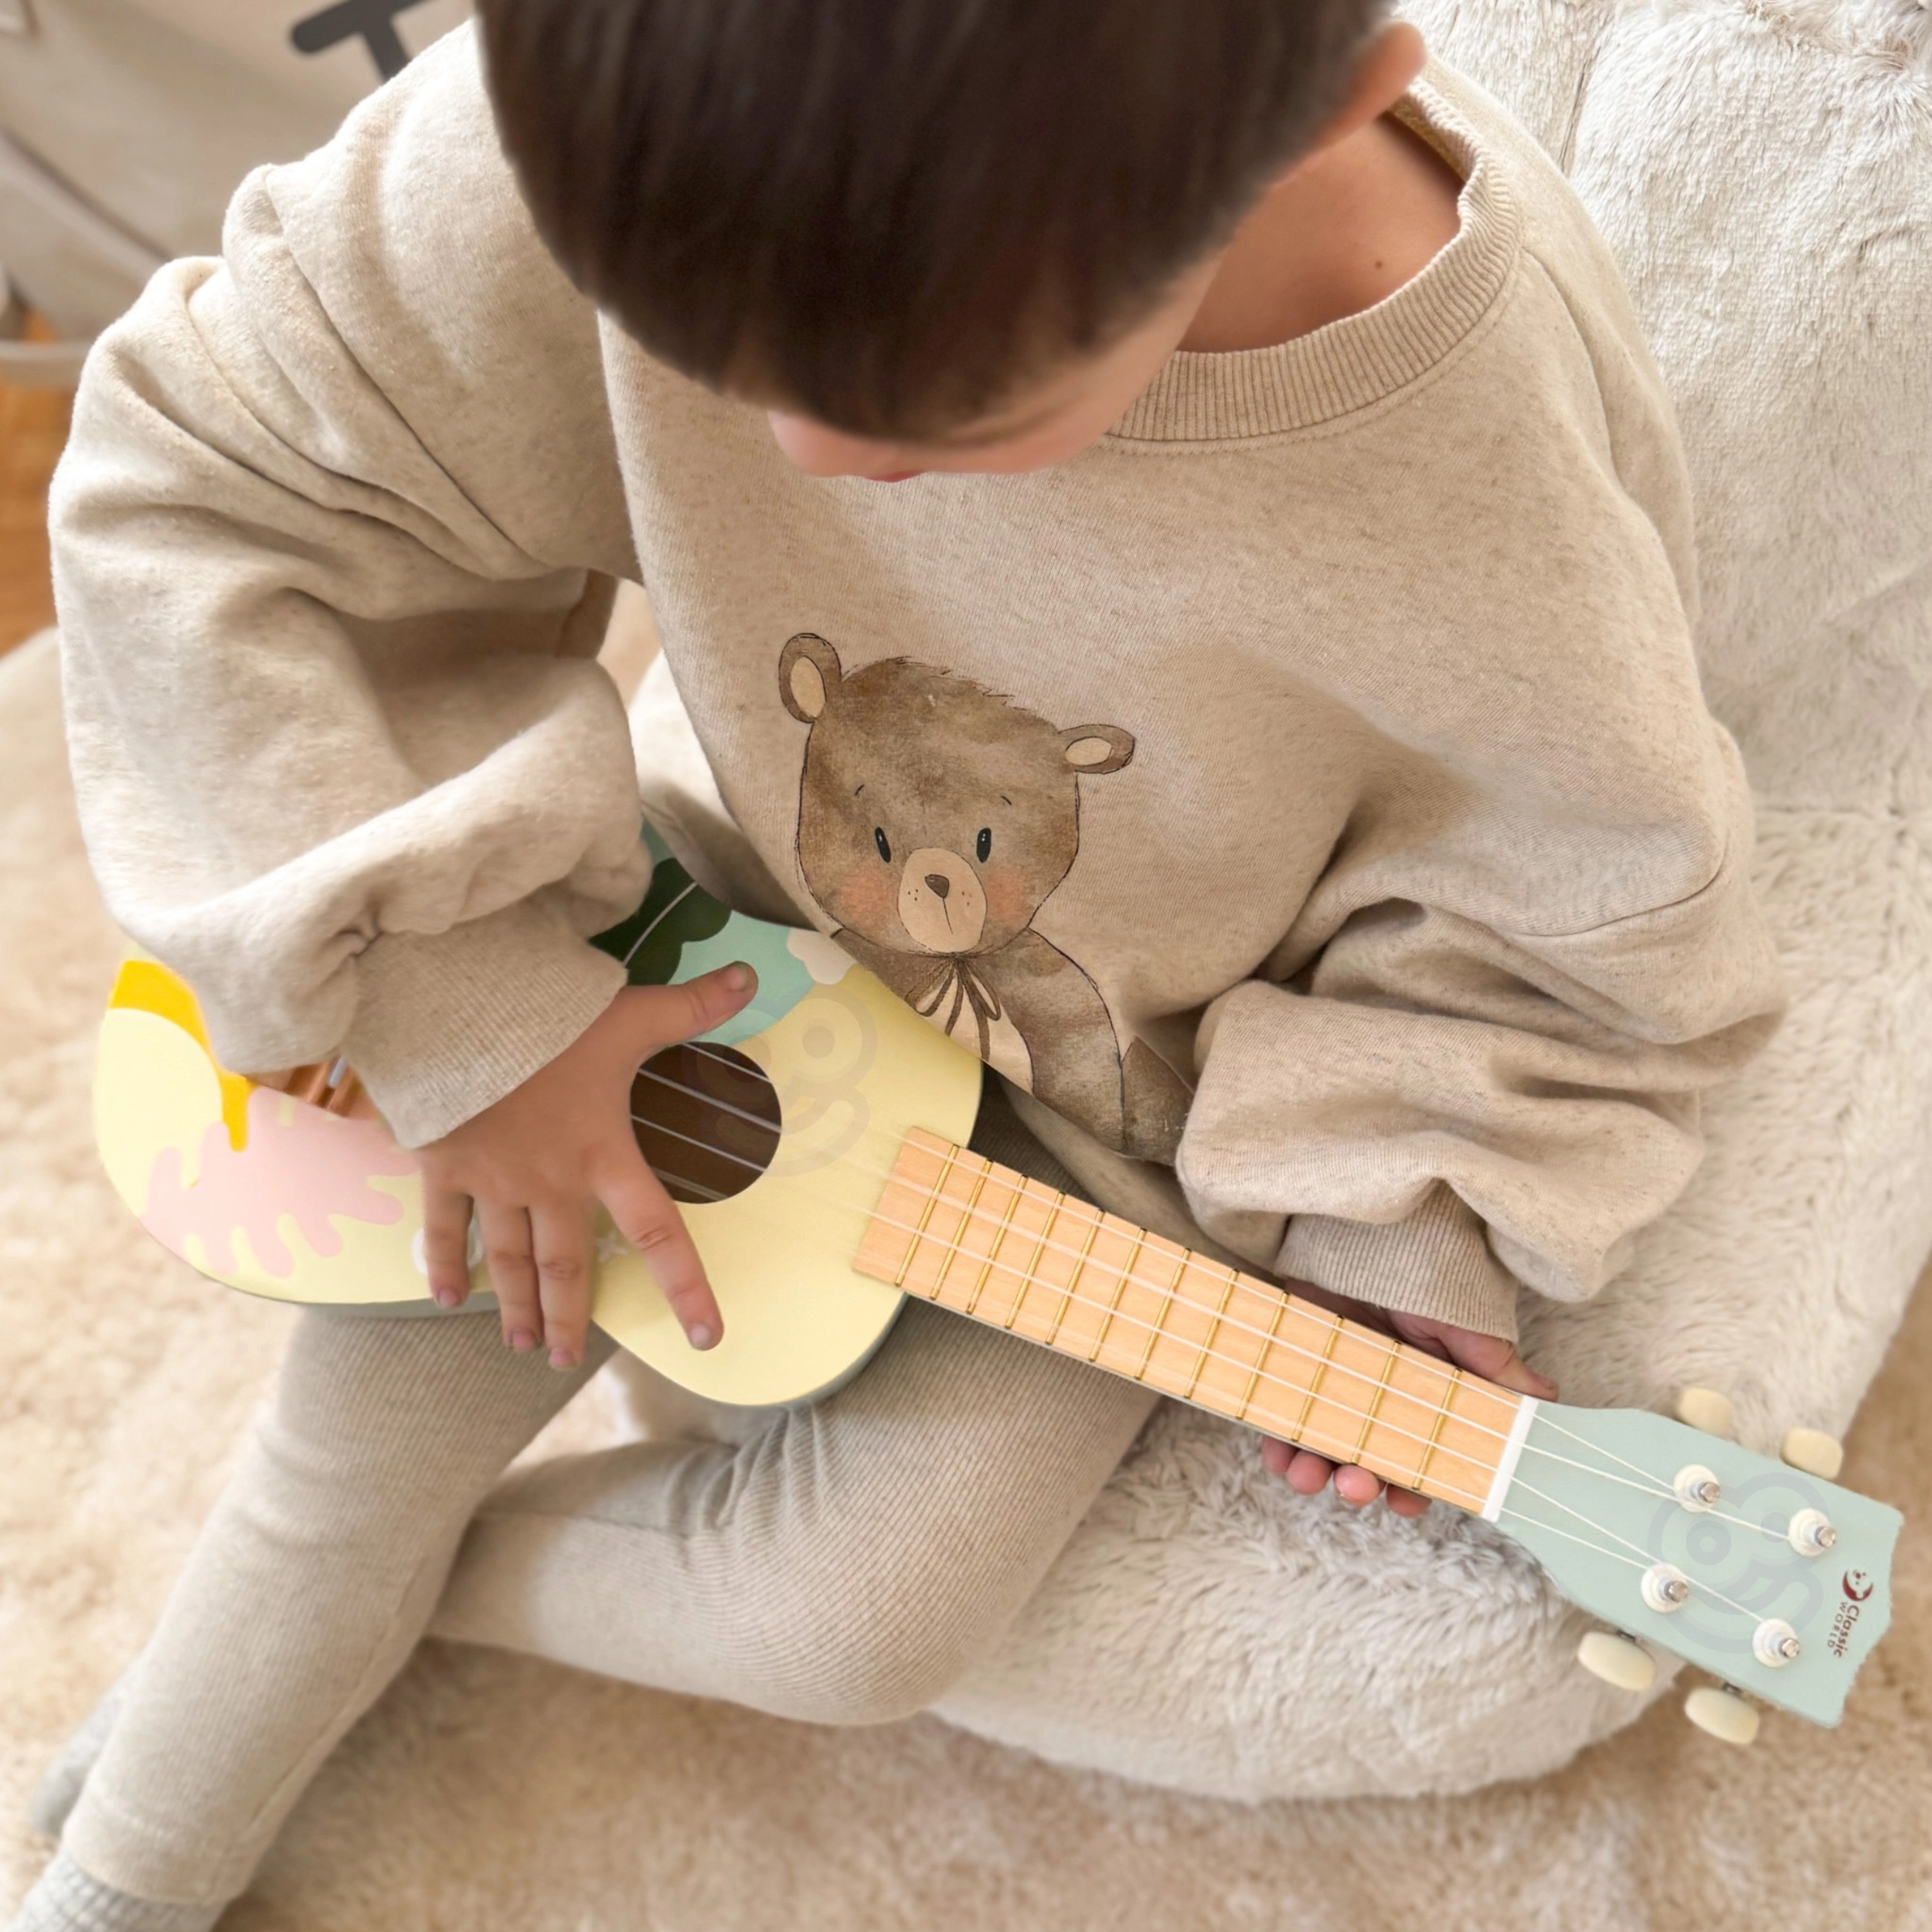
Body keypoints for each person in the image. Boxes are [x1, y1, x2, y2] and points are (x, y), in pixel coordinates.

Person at [14, 0, 1786, 1924]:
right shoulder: (650, 93)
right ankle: (123, 1867)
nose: (804, 452)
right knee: (343, 1459)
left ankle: (399, 1599)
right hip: (675, 926)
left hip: (1100, 1120)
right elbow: (200, 479)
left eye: (942, 409)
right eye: (711, 353)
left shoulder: (1483, 463)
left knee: (849, 1623)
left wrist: (1399, 1214)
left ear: (1322, 103)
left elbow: (1557, 895)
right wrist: (475, 1017)